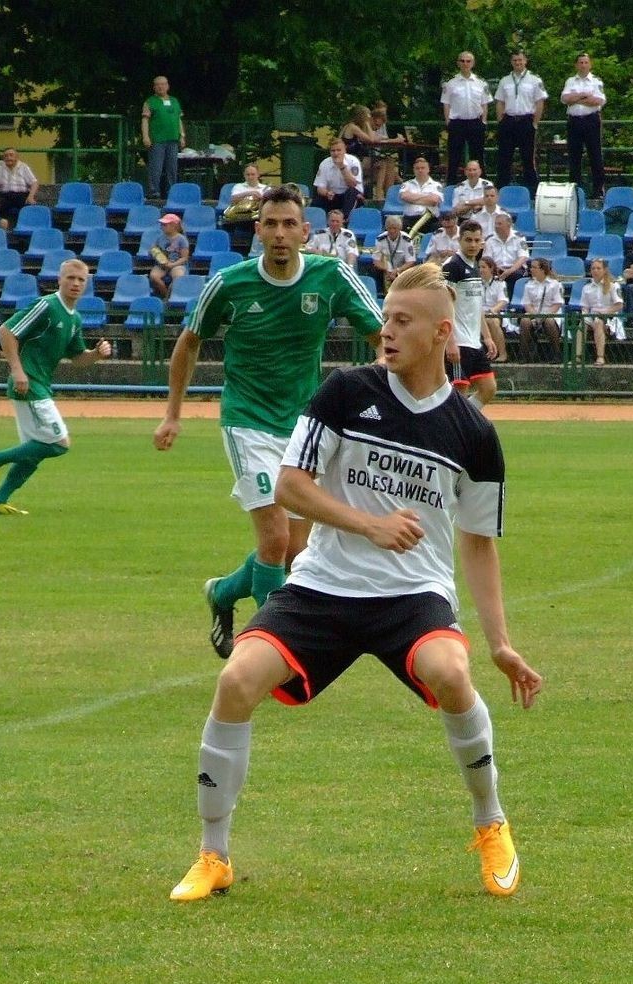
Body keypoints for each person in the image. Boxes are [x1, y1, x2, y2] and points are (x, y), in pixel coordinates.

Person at [167, 261, 542, 904]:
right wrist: (367, 526)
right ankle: (213, 855)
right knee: (235, 681)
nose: (386, 332)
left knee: (452, 674)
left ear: (441, 333)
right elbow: (290, 487)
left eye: (403, 321)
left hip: (414, 597)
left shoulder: (475, 433)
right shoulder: (345, 392)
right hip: (322, 587)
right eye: (386, 318)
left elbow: (480, 545)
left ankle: (490, 823)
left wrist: (501, 642)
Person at [152, 185, 383, 659]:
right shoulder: (230, 283)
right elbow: (189, 342)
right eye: (270, 224)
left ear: (305, 232)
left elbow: (383, 335)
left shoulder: (333, 276)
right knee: (275, 538)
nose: (279, 234)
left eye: (288, 225)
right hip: (247, 420)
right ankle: (271, 650)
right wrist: (172, 414)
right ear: (257, 231)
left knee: (296, 551)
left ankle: (222, 593)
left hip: (304, 426)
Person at [0, 259, 112, 515]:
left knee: (34, 453)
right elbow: (6, 331)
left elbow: (78, 358)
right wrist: (17, 370)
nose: (75, 283)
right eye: (70, 278)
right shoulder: (46, 306)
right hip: (28, 384)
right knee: (60, 443)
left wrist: (96, 354)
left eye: (81, 280)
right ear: (59, 279)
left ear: (86, 284)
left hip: (38, 385)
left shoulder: (75, 318)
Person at [443, 219, 497, 407]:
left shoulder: (475, 265)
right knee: (459, 393)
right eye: (468, 240)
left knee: (488, 388)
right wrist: (450, 343)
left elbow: (476, 305)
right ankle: (457, 430)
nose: (473, 244)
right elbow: (443, 305)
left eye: (476, 240)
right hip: (458, 341)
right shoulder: (452, 266)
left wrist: (487, 337)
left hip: (474, 342)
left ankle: (465, 423)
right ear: (460, 240)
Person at [494, 49, 547, 193]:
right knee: (504, 157)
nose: (518, 63)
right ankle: (501, 189)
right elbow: (499, 101)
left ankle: (532, 191)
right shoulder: (505, 80)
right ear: (511, 62)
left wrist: (535, 122)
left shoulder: (535, 80)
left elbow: (540, 102)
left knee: (528, 158)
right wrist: (501, 120)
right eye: (515, 60)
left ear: (525, 61)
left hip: (526, 121)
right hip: (509, 121)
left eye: (520, 60)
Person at [561, 53, 606, 198]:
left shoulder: (596, 81)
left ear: (590, 64)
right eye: (580, 62)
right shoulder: (570, 81)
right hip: (574, 121)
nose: (583, 65)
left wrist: (576, 99)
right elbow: (565, 98)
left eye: (586, 62)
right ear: (576, 65)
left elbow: (599, 100)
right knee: (574, 156)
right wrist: (584, 97)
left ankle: (598, 190)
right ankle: (574, 190)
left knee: (595, 155)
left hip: (591, 120)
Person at [441, 51, 491, 182]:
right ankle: (451, 183)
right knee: (454, 156)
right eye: (462, 61)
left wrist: (484, 121)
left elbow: (485, 103)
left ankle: (482, 183)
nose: (465, 64)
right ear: (458, 63)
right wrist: (448, 121)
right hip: (457, 123)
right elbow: (446, 104)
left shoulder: (481, 83)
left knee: (478, 155)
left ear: (473, 63)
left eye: (468, 61)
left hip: (476, 122)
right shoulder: (450, 83)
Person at [141, 75, 185, 200]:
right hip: (157, 140)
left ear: (168, 86)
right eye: (158, 84)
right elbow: (145, 120)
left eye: (163, 84)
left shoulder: (175, 101)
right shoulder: (150, 102)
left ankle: (172, 192)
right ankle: (154, 192)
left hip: (173, 140)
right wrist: (146, 136)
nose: (161, 87)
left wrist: (182, 135)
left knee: (172, 167)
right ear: (154, 87)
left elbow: (179, 119)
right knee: (156, 167)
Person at [577, 257, 623, 365]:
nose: (595, 271)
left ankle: (600, 357)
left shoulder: (613, 285)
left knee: (598, 322)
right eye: (593, 268)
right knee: (581, 325)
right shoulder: (586, 287)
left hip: (609, 316)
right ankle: (577, 356)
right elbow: (584, 307)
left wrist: (604, 312)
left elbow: (619, 305)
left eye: (598, 268)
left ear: (604, 270)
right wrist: (585, 315)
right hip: (591, 316)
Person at [518, 257, 564, 359]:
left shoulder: (555, 284)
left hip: (551, 314)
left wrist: (544, 316)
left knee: (549, 321)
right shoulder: (529, 285)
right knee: (525, 321)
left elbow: (557, 304)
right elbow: (527, 304)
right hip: (534, 313)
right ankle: (524, 355)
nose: (531, 269)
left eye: (534, 267)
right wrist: (535, 315)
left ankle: (556, 353)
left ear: (542, 269)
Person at [312, 139, 364, 220]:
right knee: (317, 199)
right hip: (333, 195)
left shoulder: (353, 161)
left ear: (344, 150)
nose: (336, 153)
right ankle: (320, 222)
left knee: (351, 192)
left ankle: (344, 220)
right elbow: (320, 188)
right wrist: (327, 193)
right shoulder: (325, 163)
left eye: (339, 150)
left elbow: (353, 184)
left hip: (351, 195)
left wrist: (342, 167)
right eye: (333, 151)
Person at [0, 148, 40, 230]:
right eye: (6, 156)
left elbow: (34, 183)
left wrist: (31, 196)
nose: (8, 158)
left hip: (21, 194)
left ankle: (26, 229)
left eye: (11, 155)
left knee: (29, 206)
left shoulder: (23, 167)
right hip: (4, 195)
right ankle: (1, 228)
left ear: (17, 157)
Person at [340, 104, 385, 196]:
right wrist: (367, 123)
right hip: (350, 161)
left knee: (388, 166)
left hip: (353, 159)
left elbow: (372, 138)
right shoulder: (353, 127)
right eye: (367, 116)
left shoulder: (349, 126)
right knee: (382, 165)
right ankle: (379, 195)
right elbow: (371, 139)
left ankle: (363, 186)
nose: (369, 118)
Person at [398, 156, 444, 236]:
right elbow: (404, 197)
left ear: (428, 169)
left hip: (430, 220)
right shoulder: (406, 184)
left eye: (423, 168)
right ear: (414, 170)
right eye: (417, 168)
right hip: (409, 220)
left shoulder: (436, 185)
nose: (420, 170)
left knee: (439, 228)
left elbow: (434, 201)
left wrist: (412, 198)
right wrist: (426, 197)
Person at [371, 215, 417, 293]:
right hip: (386, 268)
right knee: (374, 269)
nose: (392, 231)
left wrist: (398, 270)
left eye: (395, 228)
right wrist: (387, 270)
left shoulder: (407, 239)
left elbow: (411, 261)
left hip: (401, 268)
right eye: (389, 228)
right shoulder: (380, 239)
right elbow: (376, 261)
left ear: (400, 228)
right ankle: (379, 293)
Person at [149, 213, 190, 299]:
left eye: (165, 225)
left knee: (178, 278)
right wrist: (154, 253)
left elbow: (184, 258)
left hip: (177, 264)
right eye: (162, 224)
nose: (162, 226)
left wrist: (172, 265)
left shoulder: (181, 239)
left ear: (173, 225)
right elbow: (154, 250)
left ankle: (171, 296)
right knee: (154, 276)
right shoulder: (160, 238)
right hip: (162, 264)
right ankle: (166, 295)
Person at [481, 213, 529, 284]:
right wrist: (496, 268)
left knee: (516, 275)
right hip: (495, 269)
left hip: (515, 269)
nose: (496, 226)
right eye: (495, 224)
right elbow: (487, 259)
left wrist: (510, 270)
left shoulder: (520, 237)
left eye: (499, 224)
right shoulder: (489, 239)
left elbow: (523, 257)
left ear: (508, 225)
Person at [479, 255, 509, 361]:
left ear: (491, 268)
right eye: (479, 267)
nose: (480, 270)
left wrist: (493, 310)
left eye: (483, 267)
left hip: (495, 313)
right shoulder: (475, 284)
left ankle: (502, 354)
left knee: (492, 321)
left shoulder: (500, 283)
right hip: (478, 314)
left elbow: (503, 301)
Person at [368, 104, 401, 202]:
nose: (378, 128)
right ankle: (379, 195)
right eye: (377, 125)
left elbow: (381, 138)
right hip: (363, 157)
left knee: (390, 161)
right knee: (383, 164)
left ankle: (389, 196)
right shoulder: (366, 127)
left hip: (373, 156)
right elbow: (375, 139)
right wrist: (395, 140)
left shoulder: (375, 128)